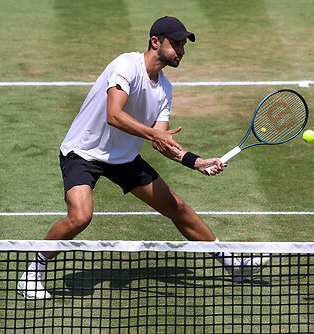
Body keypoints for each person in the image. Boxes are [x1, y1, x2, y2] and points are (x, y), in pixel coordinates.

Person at [17, 16, 267, 299]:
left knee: (178, 207)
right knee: (80, 217)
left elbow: (162, 140)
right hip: (83, 152)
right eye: (176, 44)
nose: (181, 51)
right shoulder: (126, 66)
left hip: (123, 159)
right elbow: (114, 115)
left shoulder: (165, 89)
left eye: (184, 45)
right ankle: (32, 274)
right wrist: (154, 134)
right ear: (155, 42)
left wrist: (195, 161)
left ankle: (232, 264)